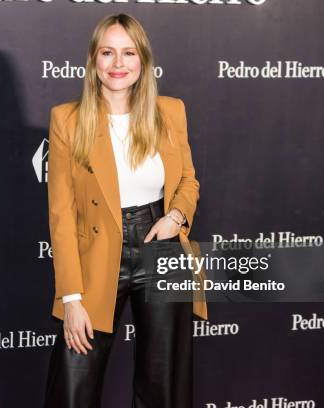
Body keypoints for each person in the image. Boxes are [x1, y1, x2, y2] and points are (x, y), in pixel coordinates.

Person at [44, 13, 207, 408]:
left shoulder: (171, 112)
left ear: (143, 60)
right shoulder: (67, 120)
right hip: (98, 257)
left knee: (162, 388)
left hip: (161, 248)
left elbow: (188, 181)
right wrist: (71, 299)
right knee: (73, 388)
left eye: (128, 53)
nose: (118, 64)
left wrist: (176, 217)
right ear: (93, 61)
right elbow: (62, 215)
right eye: (108, 53)